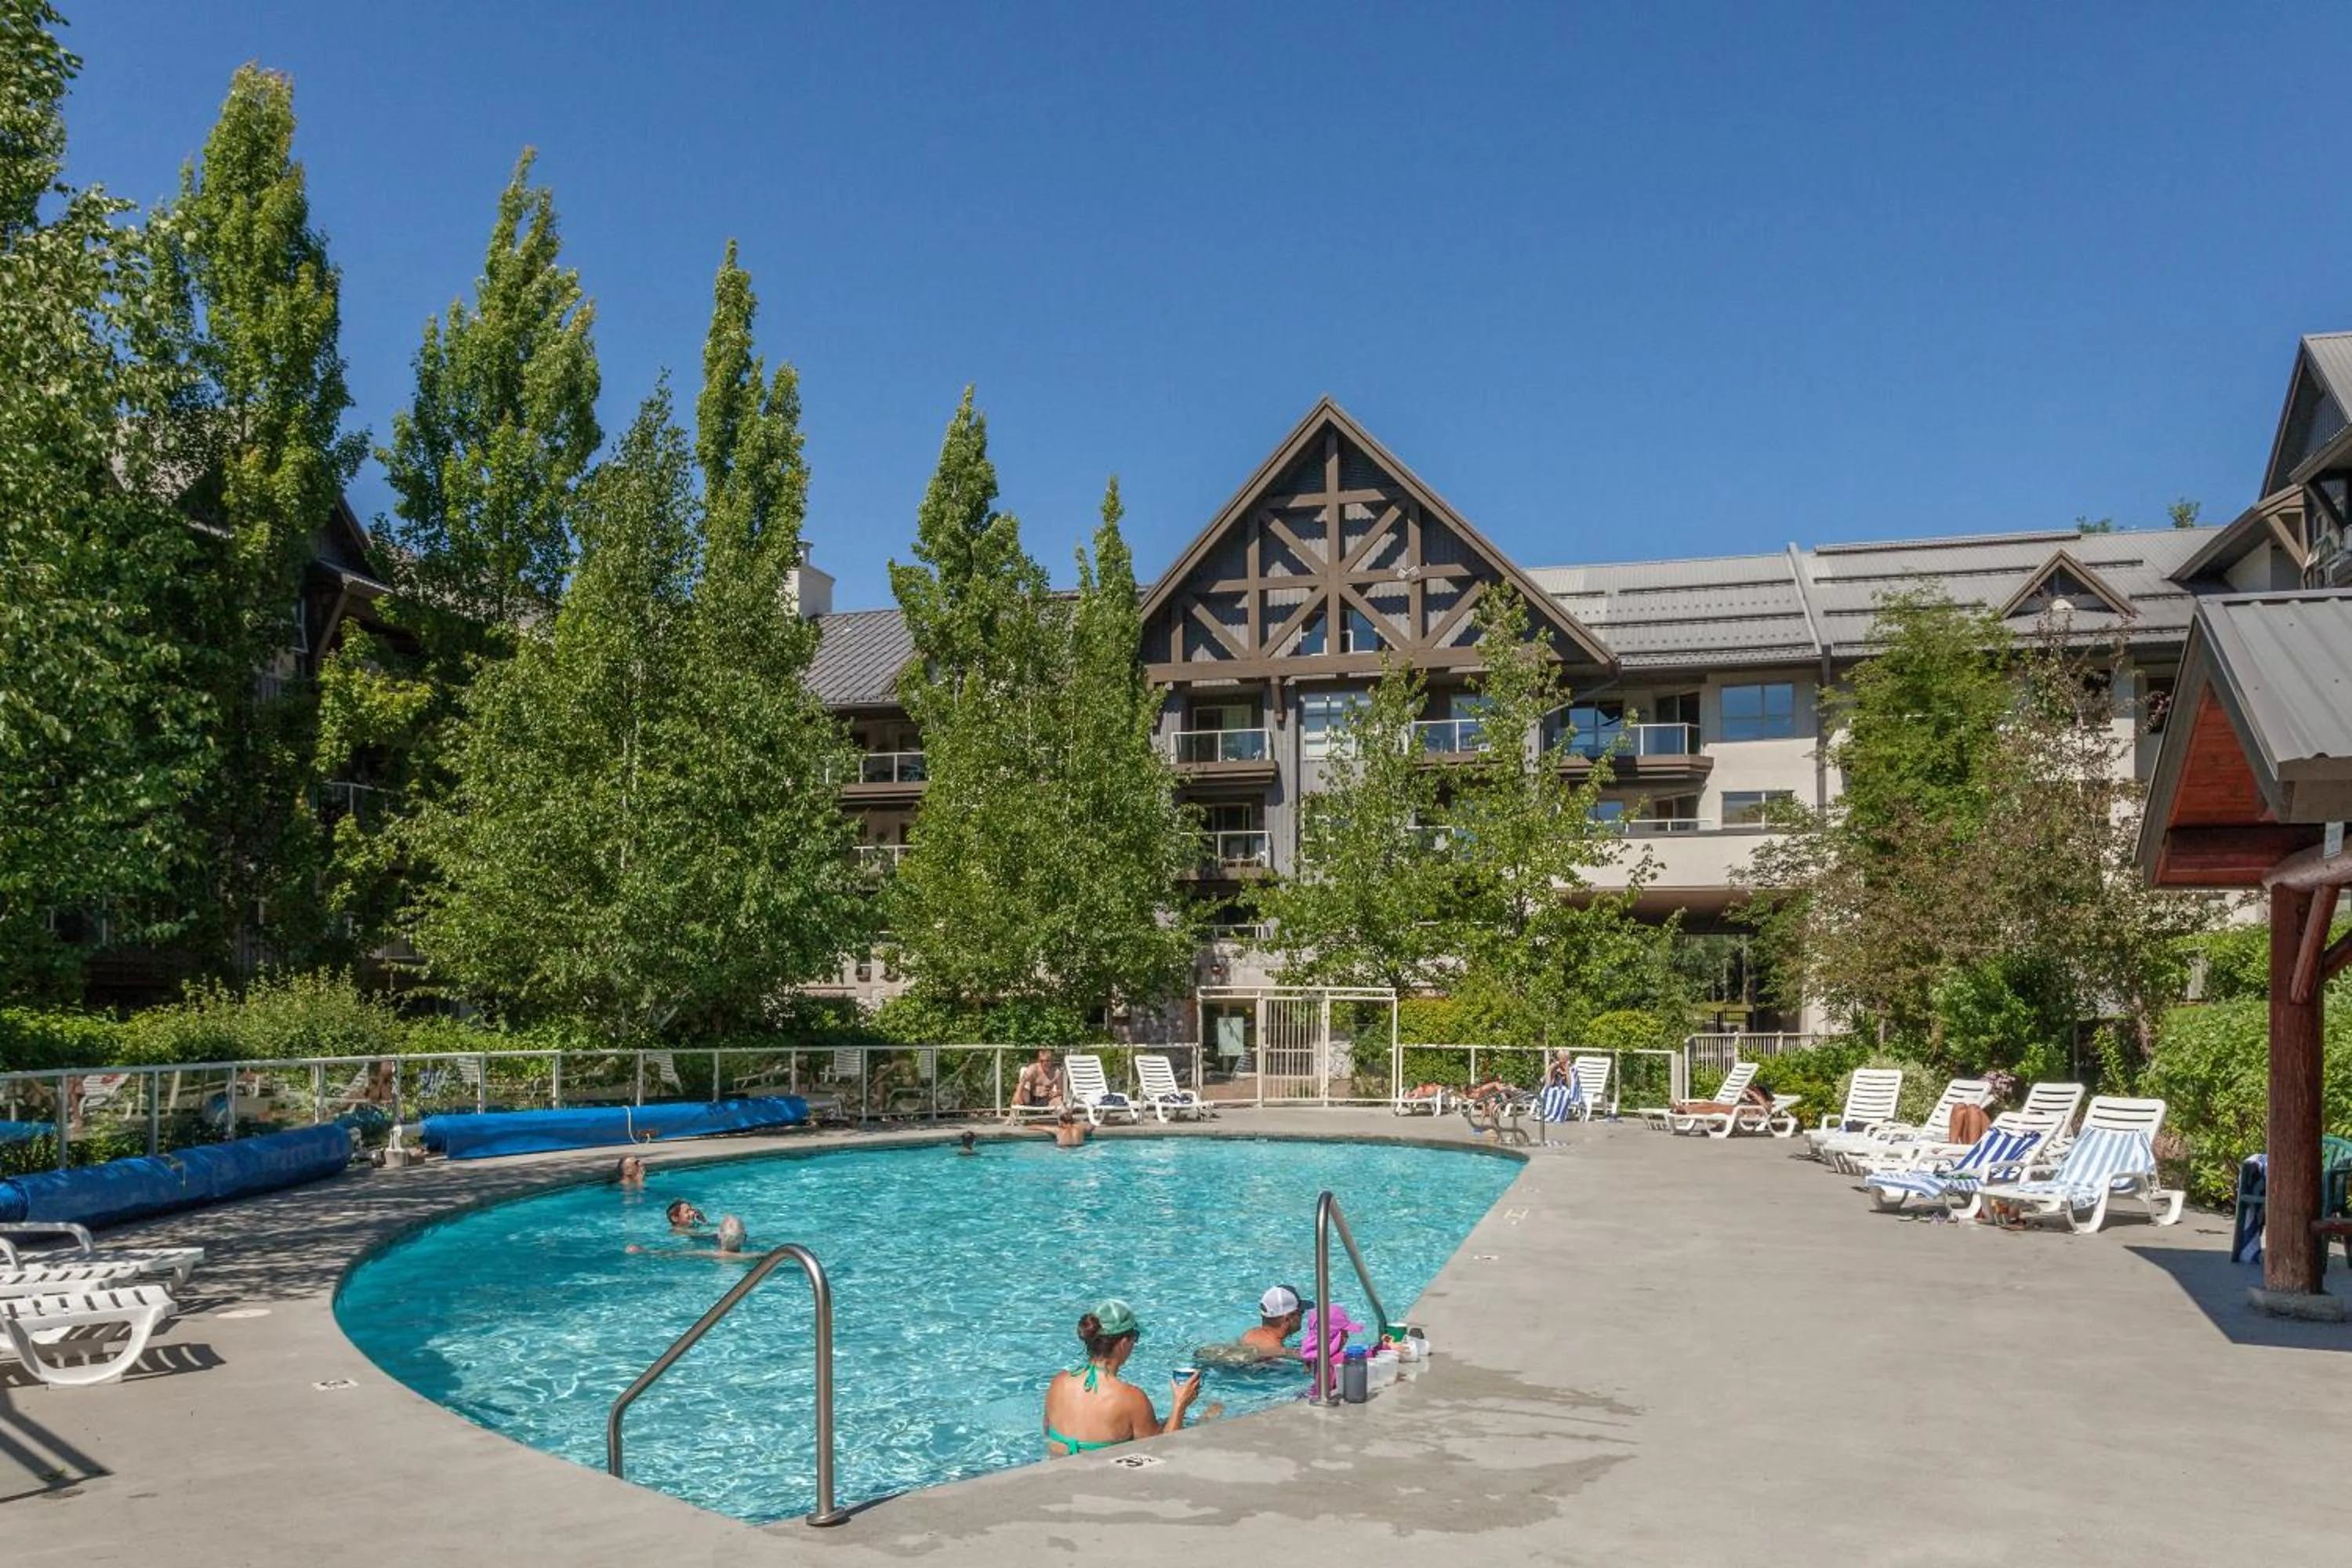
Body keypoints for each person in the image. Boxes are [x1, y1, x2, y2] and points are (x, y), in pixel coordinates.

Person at [1042, 1299, 1202, 1456]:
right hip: (1102, 1472)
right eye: (1135, 1337)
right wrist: (1180, 1404)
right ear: (1123, 1343)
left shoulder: (1058, 1382)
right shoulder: (1131, 1398)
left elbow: (1048, 1429)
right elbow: (1161, 1451)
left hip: (1056, 1468)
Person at [630, 1214, 753, 1261]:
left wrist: (643, 1251)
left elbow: (672, 1254)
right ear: (744, 1238)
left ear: (719, 1236)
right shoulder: (751, 1256)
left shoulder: (709, 1254)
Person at [1298, 1302, 1366, 1378]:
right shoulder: (1340, 1360)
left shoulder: (1313, 1359)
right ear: (1334, 1337)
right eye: (1345, 1332)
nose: (1347, 1336)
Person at [1240, 1285, 1310, 1357]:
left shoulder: (1249, 1335)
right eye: (1302, 1312)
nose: (1302, 1316)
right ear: (1287, 1319)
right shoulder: (1276, 1354)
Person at [1012, 1049, 1062, 1114]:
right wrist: (1017, 1094)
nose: (1046, 1063)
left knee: (1058, 1100)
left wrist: (1055, 1093)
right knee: (1019, 1091)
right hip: (1031, 1097)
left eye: (1049, 1060)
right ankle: (1011, 1116)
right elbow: (1023, 1081)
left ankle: (1065, 1117)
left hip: (1047, 1099)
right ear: (1039, 1061)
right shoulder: (1034, 1068)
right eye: (1043, 1061)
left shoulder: (1056, 1072)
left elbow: (1060, 1091)